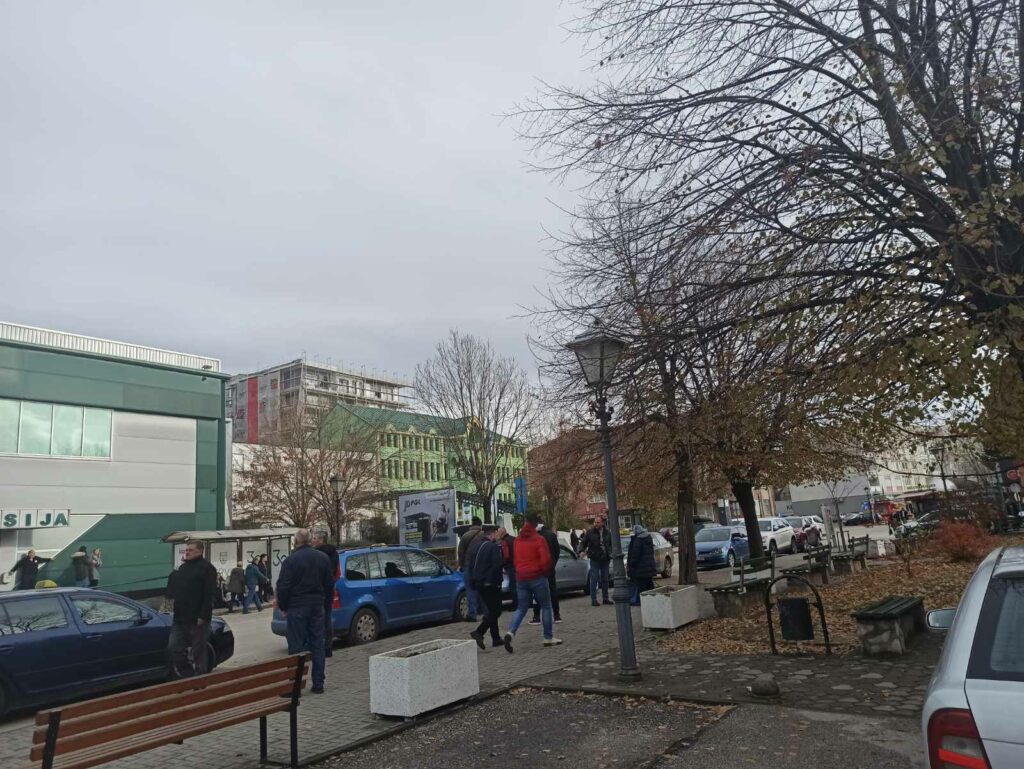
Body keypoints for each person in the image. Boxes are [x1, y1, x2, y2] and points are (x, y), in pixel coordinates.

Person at [276, 529, 334, 694]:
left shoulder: (291, 561)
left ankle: (296, 686)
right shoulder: (322, 558)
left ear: (296, 541)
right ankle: (318, 684)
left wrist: (284, 607)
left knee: (296, 646)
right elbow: (329, 585)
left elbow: (283, 586)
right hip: (317, 606)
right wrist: (325, 606)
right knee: (318, 644)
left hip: (297, 606)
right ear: (309, 540)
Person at [502, 514, 562, 652]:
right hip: (537, 577)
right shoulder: (539, 539)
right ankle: (548, 637)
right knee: (546, 606)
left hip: (521, 578)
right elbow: (545, 560)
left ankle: (511, 632)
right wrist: (545, 573)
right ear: (536, 525)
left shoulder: (517, 540)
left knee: (521, 608)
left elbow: (515, 559)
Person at [166, 540, 217, 677]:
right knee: (174, 647)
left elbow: (209, 594)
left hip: (197, 618)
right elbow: (172, 590)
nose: (187, 552)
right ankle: (187, 673)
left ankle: (200, 679)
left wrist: (203, 616)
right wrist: (167, 610)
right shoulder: (182, 568)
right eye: (186, 550)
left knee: (198, 651)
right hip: (179, 617)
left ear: (200, 551)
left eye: (190, 550)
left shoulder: (207, 568)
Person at [468, 528, 505, 650]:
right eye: (497, 533)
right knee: (496, 611)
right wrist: (495, 581)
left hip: (478, 583)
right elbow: (497, 564)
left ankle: (496, 638)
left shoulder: (475, 547)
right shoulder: (493, 547)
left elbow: (470, 565)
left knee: (491, 610)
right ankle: (479, 632)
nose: (498, 535)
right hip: (491, 583)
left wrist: (473, 582)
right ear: (492, 534)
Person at [312, 529, 340, 657]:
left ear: (321, 540)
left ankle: (318, 646)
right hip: (329, 588)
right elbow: (337, 572)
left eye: (314, 538)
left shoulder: (315, 554)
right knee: (327, 617)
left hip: (317, 589)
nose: (313, 540)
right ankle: (328, 647)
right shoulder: (334, 553)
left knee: (317, 618)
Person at [530, 517, 561, 624]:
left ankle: (536, 616)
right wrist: (553, 563)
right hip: (550, 568)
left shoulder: (534, 536)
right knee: (552, 591)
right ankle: (556, 615)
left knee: (537, 593)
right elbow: (557, 551)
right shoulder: (551, 535)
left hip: (538, 569)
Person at [579, 516, 613, 606]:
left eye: (598, 522)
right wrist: (581, 551)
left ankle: (605, 598)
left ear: (602, 523)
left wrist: (610, 552)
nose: (595, 524)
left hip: (605, 558)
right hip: (594, 558)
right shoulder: (590, 532)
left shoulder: (607, 533)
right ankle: (594, 599)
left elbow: (611, 544)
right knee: (594, 578)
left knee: (605, 578)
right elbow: (583, 542)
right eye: (595, 522)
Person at [457, 517, 486, 622]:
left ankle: (472, 614)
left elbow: (460, 552)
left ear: (472, 525)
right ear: (480, 525)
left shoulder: (465, 536)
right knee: (482, 589)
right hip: (482, 566)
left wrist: (461, 565)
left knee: (470, 589)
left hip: (468, 565)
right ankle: (485, 612)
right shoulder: (484, 536)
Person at [626, 524, 657, 605]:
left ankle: (643, 602)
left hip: (641, 569)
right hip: (649, 567)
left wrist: (631, 566)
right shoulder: (648, 538)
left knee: (642, 587)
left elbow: (635, 556)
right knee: (649, 585)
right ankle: (652, 601)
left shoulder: (638, 541)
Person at [498, 526, 517, 611]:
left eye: (499, 533)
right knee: (517, 585)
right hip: (517, 565)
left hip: (511, 566)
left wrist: (504, 565)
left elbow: (506, 556)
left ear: (502, 533)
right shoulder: (514, 539)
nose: (498, 534)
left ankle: (515, 604)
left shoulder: (504, 542)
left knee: (513, 586)